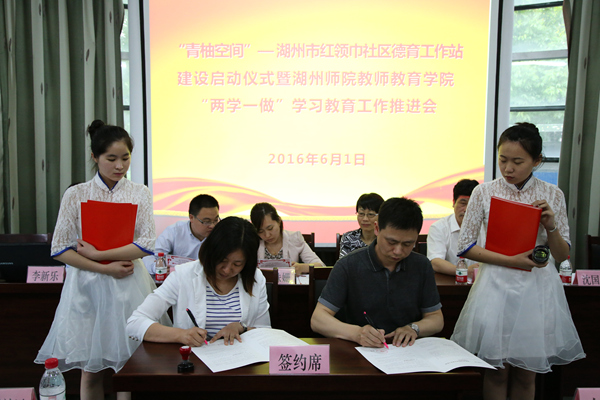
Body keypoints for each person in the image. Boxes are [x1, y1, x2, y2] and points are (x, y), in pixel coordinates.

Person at [35, 120, 169, 400]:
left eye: (125, 158)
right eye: (111, 159)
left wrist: (99, 254)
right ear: (94, 157)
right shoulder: (77, 194)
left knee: (130, 365)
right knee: (90, 368)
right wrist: (103, 267)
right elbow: (59, 249)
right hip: (87, 287)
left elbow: (146, 244)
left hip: (128, 283)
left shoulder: (139, 192)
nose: (120, 166)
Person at [450, 123, 585, 400]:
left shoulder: (552, 194)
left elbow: (562, 255)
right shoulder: (483, 192)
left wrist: (550, 225)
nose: (508, 168)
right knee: (496, 371)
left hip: (536, 289)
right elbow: (465, 247)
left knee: (526, 374)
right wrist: (510, 260)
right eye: (503, 160)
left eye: (517, 162)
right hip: (495, 287)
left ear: (536, 161)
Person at [311, 197, 443, 348]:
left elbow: (436, 318)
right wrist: (357, 333)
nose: (398, 251)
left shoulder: (421, 265)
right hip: (361, 350)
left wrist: (414, 328)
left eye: (408, 244)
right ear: (377, 228)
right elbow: (318, 319)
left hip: (407, 350)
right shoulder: (348, 265)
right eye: (391, 242)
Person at [127, 216, 270, 346]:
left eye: (237, 264)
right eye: (222, 260)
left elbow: (266, 332)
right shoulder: (183, 275)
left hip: (241, 361)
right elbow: (135, 323)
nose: (227, 270)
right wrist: (181, 335)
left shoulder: (255, 279)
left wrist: (241, 328)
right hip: (194, 361)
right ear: (211, 251)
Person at [143, 194, 220, 273]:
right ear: (191, 218)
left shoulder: (220, 233)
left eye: (215, 220)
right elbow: (150, 256)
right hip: (177, 278)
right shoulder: (174, 231)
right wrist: (158, 267)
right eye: (207, 221)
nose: (212, 226)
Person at [427, 179, 482, 276]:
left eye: (472, 204)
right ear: (453, 202)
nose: (467, 209)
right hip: (451, 281)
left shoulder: (487, 226)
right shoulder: (439, 227)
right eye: (463, 203)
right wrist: (464, 272)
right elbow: (435, 262)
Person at [250, 202, 324, 271]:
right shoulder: (253, 242)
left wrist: (302, 268)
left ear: (279, 221)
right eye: (260, 231)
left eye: (270, 228)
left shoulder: (295, 238)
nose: (267, 235)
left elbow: (321, 266)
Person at [338, 193, 384, 258]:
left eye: (370, 214)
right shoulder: (349, 238)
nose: (365, 219)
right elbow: (343, 263)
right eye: (361, 214)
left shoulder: (385, 239)